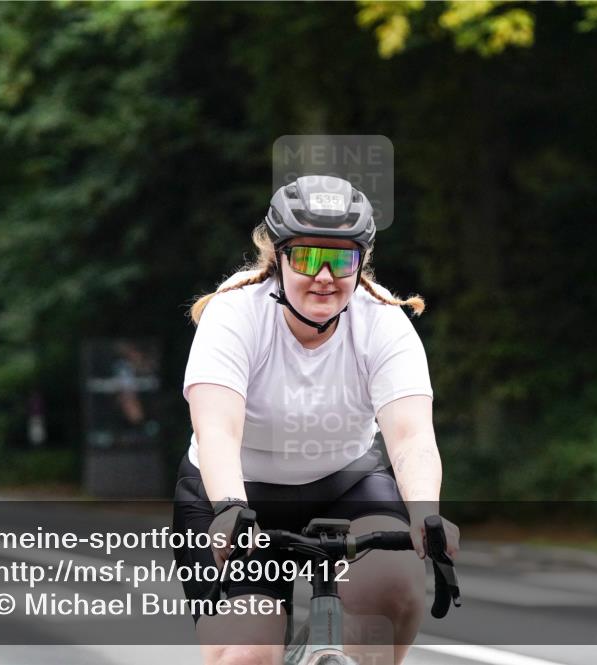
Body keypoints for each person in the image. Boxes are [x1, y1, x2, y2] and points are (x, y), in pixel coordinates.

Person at [172, 175, 458, 665]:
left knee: (395, 587)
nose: (324, 275)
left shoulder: (383, 322)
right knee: (245, 655)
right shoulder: (235, 314)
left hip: (345, 483)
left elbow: (410, 438)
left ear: (360, 263)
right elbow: (216, 429)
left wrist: (424, 514)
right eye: (306, 257)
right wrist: (228, 507)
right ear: (278, 258)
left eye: (342, 258)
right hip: (237, 493)